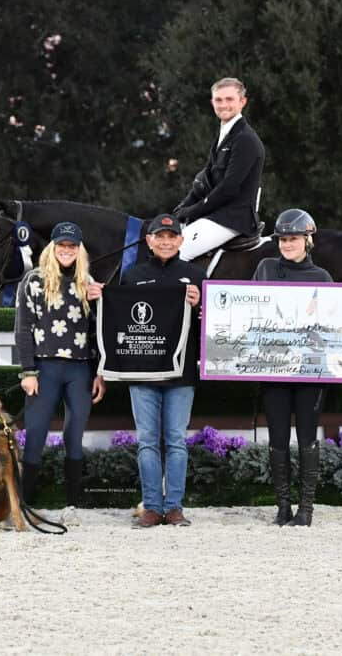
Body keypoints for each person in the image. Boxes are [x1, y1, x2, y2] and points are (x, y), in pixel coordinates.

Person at [118, 213, 205, 528]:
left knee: (176, 440)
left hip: (181, 373)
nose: (166, 241)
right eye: (160, 236)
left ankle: (175, 507)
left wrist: (201, 307)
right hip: (142, 373)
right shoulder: (131, 275)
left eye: (172, 236)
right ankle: (152, 507)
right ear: (149, 241)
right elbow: (117, 319)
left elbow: (211, 330)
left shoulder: (196, 275)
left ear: (181, 241)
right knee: (148, 441)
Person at [15, 222, 106, 516]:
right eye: (62, 246)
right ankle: (23, 504)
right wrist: (28, 371)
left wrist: (100, 372)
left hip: (80, 369)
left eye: (72, 246)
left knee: (74, 433)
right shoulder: (34, 281)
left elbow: (100, 332)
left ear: (79, 250)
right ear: (52, 248)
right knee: (36, 433)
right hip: (45, 366)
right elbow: (23, 329)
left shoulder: (89, 283)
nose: (66, 251)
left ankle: (72, 505)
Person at [253, 208, 333, 527]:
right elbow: (250, 311)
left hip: (310, 369)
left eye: (294, 238)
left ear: (307, 240)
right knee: (277, 437)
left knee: (307, 437)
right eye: (283, 239)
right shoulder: (265, 268)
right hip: (273, 367)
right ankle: (282, 506)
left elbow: (332, 326)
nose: (287, 244)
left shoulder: (322, 278)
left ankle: (307, 508)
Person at [174, 77, 265, 260]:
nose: (223, 105)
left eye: (229, 99)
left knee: (173, 253)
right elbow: (206, 179)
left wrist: (192, 212)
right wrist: (182, 208)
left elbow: (228, 189)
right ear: (212, 102)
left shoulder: (245, 139)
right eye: (218, 100)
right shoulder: (224, 134)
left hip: (233, 219)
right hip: (216, 215)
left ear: (242, 102)